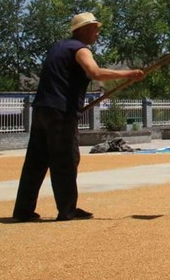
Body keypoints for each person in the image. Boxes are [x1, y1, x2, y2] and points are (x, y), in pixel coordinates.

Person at [12, 12, 144, 222]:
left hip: (42, 110)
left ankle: (23, 210)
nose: (97, 33)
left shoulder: (58, 48)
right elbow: (94, 72)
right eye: (94, 28)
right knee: (65, 159)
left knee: (36, 161)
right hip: (61, 113)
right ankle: (67, 210)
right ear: (82, 30)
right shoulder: (80, 49)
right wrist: (127, 74)